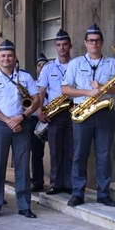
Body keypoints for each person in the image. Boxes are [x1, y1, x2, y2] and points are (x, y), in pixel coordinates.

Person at [62, 24, 115, 207]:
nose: (94, 44)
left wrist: (104, 87)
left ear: (102, 42)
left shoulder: (112, 63)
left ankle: (103, 194)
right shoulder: (75, 64)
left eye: (97, 41)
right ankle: (77, 193)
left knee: (104, 155)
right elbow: (65, 88)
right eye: (91, 41)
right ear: (85, 43)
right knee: (79, 155)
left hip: (104, 112)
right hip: (83, 112)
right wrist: (87, 92)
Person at [0, 39, 41, 219]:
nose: (6, 58)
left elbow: (36, 99)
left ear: (15, 57)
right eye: (3, 56)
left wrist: (21, 117)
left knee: (22, 166)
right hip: (0, 125)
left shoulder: (25, 77)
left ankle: (24, 206)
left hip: (22, 123)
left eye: (9, 55)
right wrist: (8, 120)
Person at [38, 29, 74, 195]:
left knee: (72, 148)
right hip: (54, 112)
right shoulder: (48, 68)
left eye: (65, 44)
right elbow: (41, 91)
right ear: (55, 47)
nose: (62, 48)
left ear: (70, 46)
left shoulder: (77, 65)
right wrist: (40, 110)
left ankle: (69, 183)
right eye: (59, 45)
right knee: (55, 149)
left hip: (74, 110)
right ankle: (55, 183)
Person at [30, 53, 49, 192]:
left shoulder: (56, 82)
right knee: (37, 152)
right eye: (39, 65)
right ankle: (37, 181)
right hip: (37, 120)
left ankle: (57, 181)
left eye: (44, 65)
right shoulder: (33, 85)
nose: (42, 67)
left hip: (54, 118)